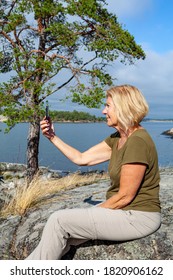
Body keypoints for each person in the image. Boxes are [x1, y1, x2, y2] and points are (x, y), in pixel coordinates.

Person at [26, 85, 161, 260]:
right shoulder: (118, 138)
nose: (104, 111)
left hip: (138, 217)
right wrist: (52, 136)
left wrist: (93, 212)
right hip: (122, 212)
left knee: (58, 220)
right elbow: (82, 158)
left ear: (123, 107)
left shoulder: (137, 141)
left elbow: (125, 196)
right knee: (64, 237)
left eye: (108, 106)